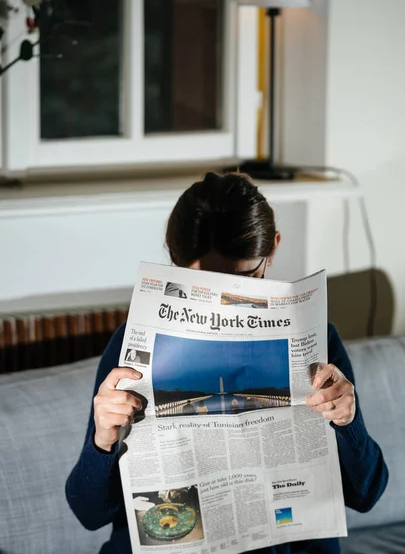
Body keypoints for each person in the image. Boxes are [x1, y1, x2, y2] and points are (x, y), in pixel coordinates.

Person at [66, 171, 388, 554]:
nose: (226, 300)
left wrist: (347, 422)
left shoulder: (318, 341)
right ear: (173, 258)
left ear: (272, 251)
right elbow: (89, 514)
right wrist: (102, 440)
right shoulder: (128, 346)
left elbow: (366, 494)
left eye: (246, 278)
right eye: (205, 284)